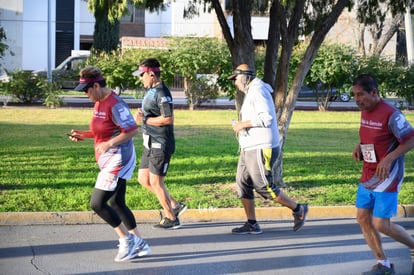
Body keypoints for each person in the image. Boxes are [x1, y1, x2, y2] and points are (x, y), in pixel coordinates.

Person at [68, 66, 151, 262]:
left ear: (96, 86)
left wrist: (109, 144)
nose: (85, 95)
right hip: (109, 156)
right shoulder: (98, 101)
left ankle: (126, 240)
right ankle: (139, 242)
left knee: (97, 203)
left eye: (86, 90)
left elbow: (131, 130)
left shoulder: (115, 104)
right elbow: (103, 131)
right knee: (116, 202)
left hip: (118, 158)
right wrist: (84, 135)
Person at [228, 64, 308, 235]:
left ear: (245, 77)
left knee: (264, 186)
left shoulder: (258, 91)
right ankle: (252, 223)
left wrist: (242, 124)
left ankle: (298, 209)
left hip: (261, 147)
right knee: (242, 184)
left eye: (235, 78)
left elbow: (267, 118)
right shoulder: (252, 91)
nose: (235, 82)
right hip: (249, 147)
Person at [351, 74, 414, 275]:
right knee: (362, 218)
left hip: (387, 176)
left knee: (381, 224)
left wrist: (389, 158)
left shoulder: (391, 114)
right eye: (354, 95)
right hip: (369, 172)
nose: (357, 99)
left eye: (360, 94)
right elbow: (372, 136)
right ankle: (384, 264)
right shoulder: (365, 110)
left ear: (374, 92)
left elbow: (410, 140)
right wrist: (360, 146)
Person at [132, 58, 187, 229]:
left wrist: (145, 119)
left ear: (151, 74)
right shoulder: (151, 90)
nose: (141, 78)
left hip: (160, 143)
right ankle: (175, 205)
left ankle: (171, 218)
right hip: (149, 143)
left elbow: (168, 118)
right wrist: (144, 115)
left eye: (142, 75)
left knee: (156, 182)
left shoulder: (162, 93)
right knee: (143, 179)